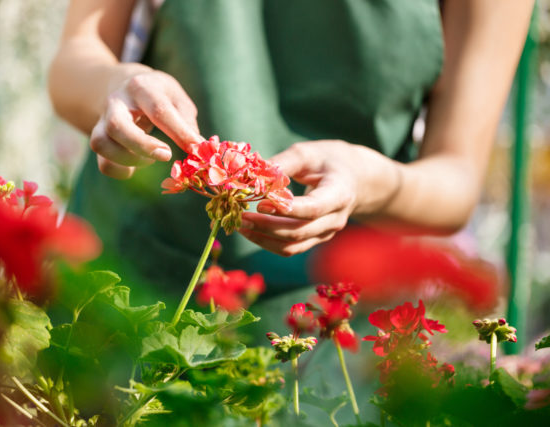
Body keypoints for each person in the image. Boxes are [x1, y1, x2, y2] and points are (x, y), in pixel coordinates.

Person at [48, 0, 534, 297]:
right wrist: (118, 85)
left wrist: (371, 181)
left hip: (324, 323)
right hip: (130, 277)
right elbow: (75, 57)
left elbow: (456, 179)